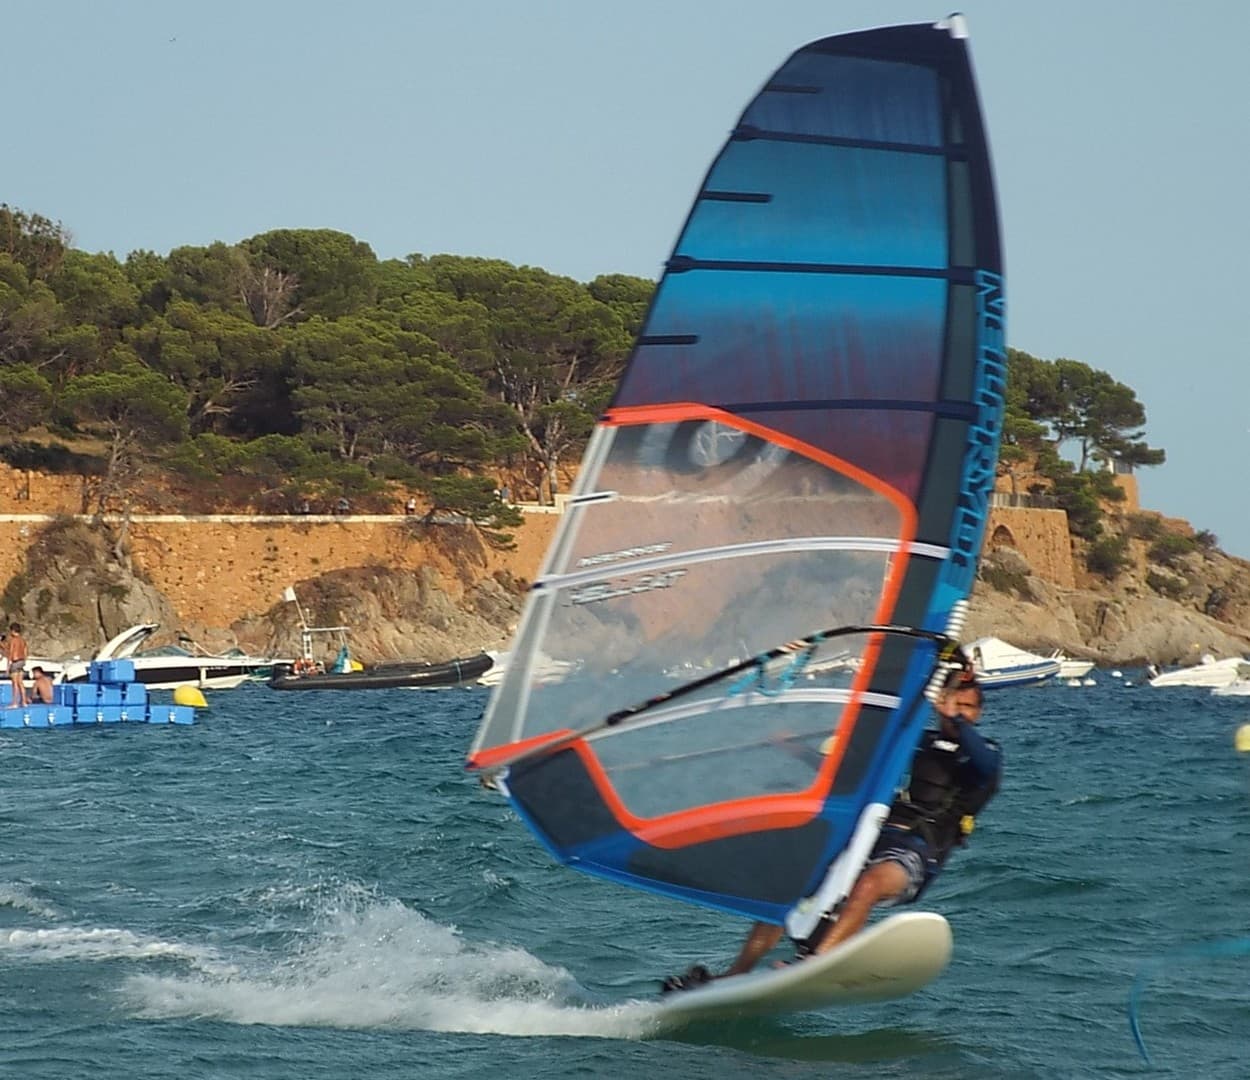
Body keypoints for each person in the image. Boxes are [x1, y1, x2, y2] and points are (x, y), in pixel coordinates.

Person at [662, 668, 1000, 991]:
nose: (961, 712)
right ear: (939, 703)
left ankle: (817, 962)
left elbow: (983, 760)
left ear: (979, 713)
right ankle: (736, 974)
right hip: (870, 841)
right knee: (792, 884)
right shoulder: (917, 743)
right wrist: (796, 748)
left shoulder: (986, 756)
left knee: (869, 885)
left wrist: (953, 715)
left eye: (968, 707)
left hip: (916, 853)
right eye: (956, 703)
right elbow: (851, 770)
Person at [5, 622, 29, 708]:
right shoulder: (22, 640)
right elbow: (26, 651)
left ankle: (14, 703)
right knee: (20, 683)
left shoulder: (13, 640)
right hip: (21, 661)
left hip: (15, 662)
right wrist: (24, 661)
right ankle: (24, 702)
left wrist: (8, 667)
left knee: (14, 684)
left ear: (12, 630)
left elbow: (10, 653)